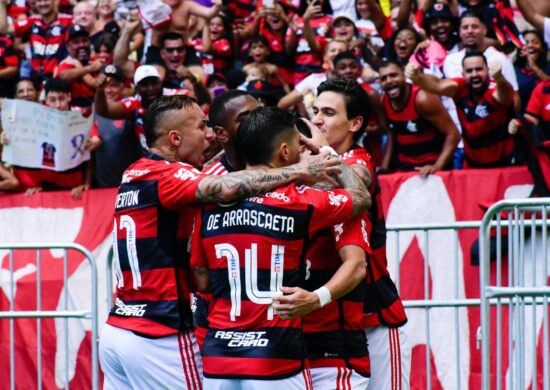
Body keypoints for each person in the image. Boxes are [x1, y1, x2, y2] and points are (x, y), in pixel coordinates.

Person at [98, 94, 344, 389]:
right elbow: (222, 188)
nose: (209, 134)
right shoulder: (173, 175)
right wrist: (300, 170)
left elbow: (203, 177)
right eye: (201, 127)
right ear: (175, 138)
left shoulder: (135, 171)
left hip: (118, 329)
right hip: (159, 334)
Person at [190, 106, 370, 389]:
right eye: (298, 146)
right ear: (285, 152)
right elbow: (360, 196)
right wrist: (328, 154)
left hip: (218, 359)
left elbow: (200, 278)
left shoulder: (208, 202)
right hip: (276, 359)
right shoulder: (301, 201)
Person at [311, 77, 410, 390]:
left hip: (376, 318)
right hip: (330, 323)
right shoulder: (303, 164)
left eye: (328, 113)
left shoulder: (359, 159)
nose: (316, 120)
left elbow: (356, 177)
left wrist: (318, 148)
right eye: (315, 111)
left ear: (355, 123)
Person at [406, 51, 517, 168]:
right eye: (469, 71)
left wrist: (499, 78)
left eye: (479, 69)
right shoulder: (460, 88)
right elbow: (437, 84)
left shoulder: (495, 90)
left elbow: (506, 95)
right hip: (472, 165)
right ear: (463, 74)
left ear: (488, 71)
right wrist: (417, 77)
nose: (474, 74)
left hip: (504, 165)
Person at [379, 60, 459, 175]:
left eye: (393, 75)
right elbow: (391, 134)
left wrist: (437, 166)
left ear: (403, 75)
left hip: (430, 169)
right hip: (404, 169)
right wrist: (384, 167)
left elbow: (453, 134)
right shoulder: (384, 101)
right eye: (383, 78)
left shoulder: (422, 98)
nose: (389, 81)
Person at [90, 65, 142, 188]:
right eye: (105, 85)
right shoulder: (91, 112)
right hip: (102, 188)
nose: (108, 90)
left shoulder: (132, 109)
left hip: (131, 186)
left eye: (114, 85)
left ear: (123, 87)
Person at [0, 0, 73, 82]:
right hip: (36, 77)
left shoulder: (68, 21)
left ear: (55, 1)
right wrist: (2, 4)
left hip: (58, 76)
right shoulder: (32, 21)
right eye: (39, 1)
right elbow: (4, 29)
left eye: (46, 1)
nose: (42, 3)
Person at [54, 24, 103, 108]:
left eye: (84, 41)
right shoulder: (66, 64)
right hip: (75, 116)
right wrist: (89, 69)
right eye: (76, 42)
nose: (81, 45)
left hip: (99, 111)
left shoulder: (97, 60)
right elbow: (63, 77)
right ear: (68, 46)